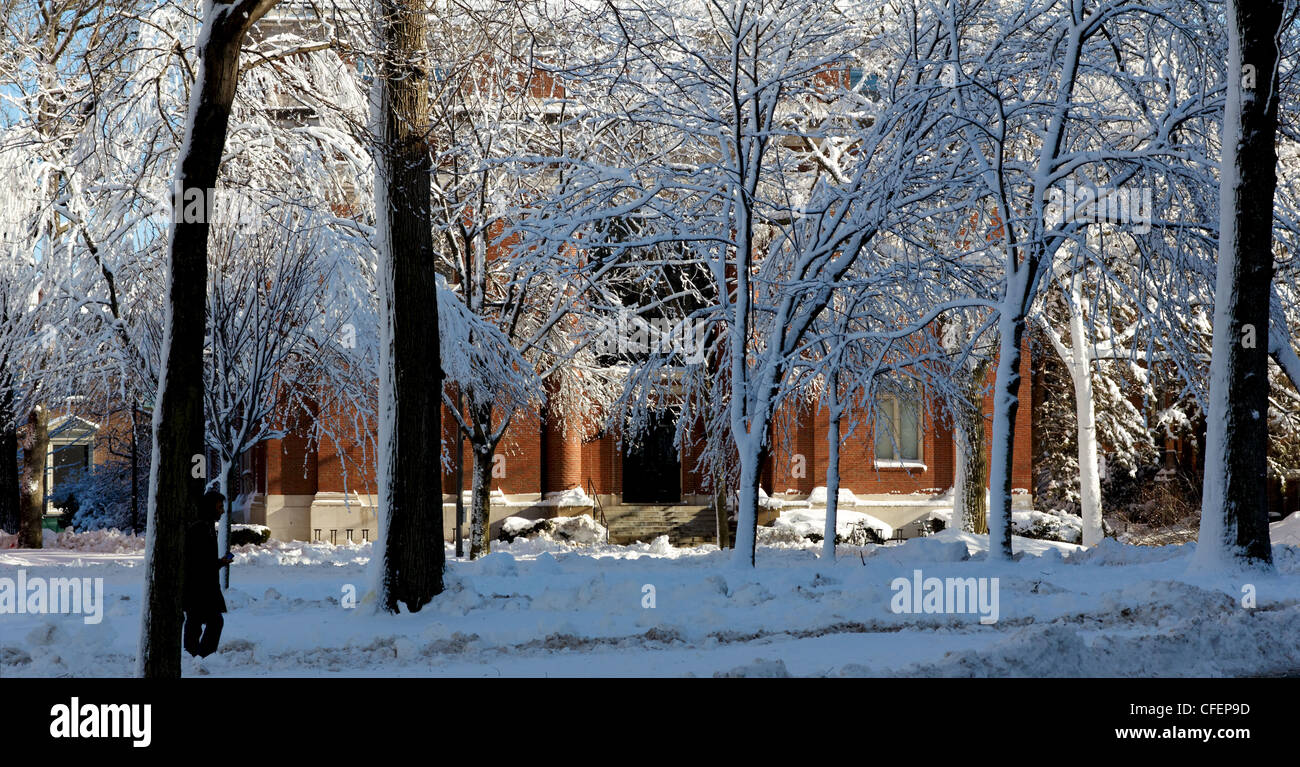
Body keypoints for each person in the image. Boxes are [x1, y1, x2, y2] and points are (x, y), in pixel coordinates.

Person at [183, 489, 232, 658]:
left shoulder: (206, 527)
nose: (222, 511)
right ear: (211, 508)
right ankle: (201, 656)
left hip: (201, 586)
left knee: (196, 622)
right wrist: (219, 563)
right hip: (200, 587)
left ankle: (195, 654)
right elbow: (199, 562)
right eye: (219, 507)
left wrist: (219, 562)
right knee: (212, 621)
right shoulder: (201, 529)